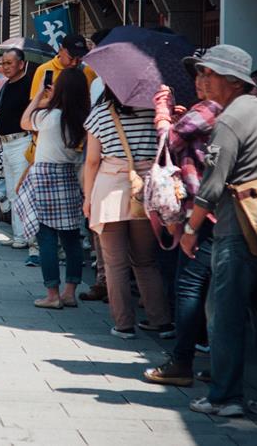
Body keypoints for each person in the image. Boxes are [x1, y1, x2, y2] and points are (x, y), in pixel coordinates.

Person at [176, 46, 257, 418]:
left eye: (209, 74)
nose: (202, 80)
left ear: (232, 81)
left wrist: (189, 228)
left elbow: (212, 186)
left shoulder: (229, 121)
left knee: (223, 313)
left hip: (238, 226)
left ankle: (225, 396)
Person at [142, 78, 222, 387]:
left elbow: (169, 142)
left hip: (204, 213)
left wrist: (162, 114)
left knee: (189, 286)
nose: (200, 81)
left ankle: (182, 361)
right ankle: (221, 364)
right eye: (197, 75)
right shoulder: (214, 110)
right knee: (218, 293)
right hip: (213, 212)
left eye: (206, 75)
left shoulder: (211, 109)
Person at [83, 86, 171, 340]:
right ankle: (161, 321)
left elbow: (91, 161)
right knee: (145, 261)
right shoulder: (153, 114)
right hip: (144, 189)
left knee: (115, 263)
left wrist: (88, 198)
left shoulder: (100, 113)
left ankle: (123, 325)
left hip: (110, 188)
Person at [14, 68, 90, 309]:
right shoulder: (84, 118)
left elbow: (24, 121)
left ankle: (52, 294)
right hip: (71, 175)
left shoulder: (49, 116)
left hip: (46, 175)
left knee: (46, 237)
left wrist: (38, 96)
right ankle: (70, 292)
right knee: (71, 239)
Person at [0, 48, 37, 259]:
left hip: (22, 140)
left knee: (21, 191)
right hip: (6, 143)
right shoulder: (6, 85)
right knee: (11, 191)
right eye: (3, 63)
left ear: (21, 64)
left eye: (10, 63)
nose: (6, 67)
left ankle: (30, 238)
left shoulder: (29, 83)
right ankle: (19, 235)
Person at [30, 33, 97, 98]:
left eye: (79, 58)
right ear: (60, 50)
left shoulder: (88, 71)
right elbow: (35, 103)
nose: (74, 63)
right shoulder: (44, 70)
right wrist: (54, 100)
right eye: (71, 58)